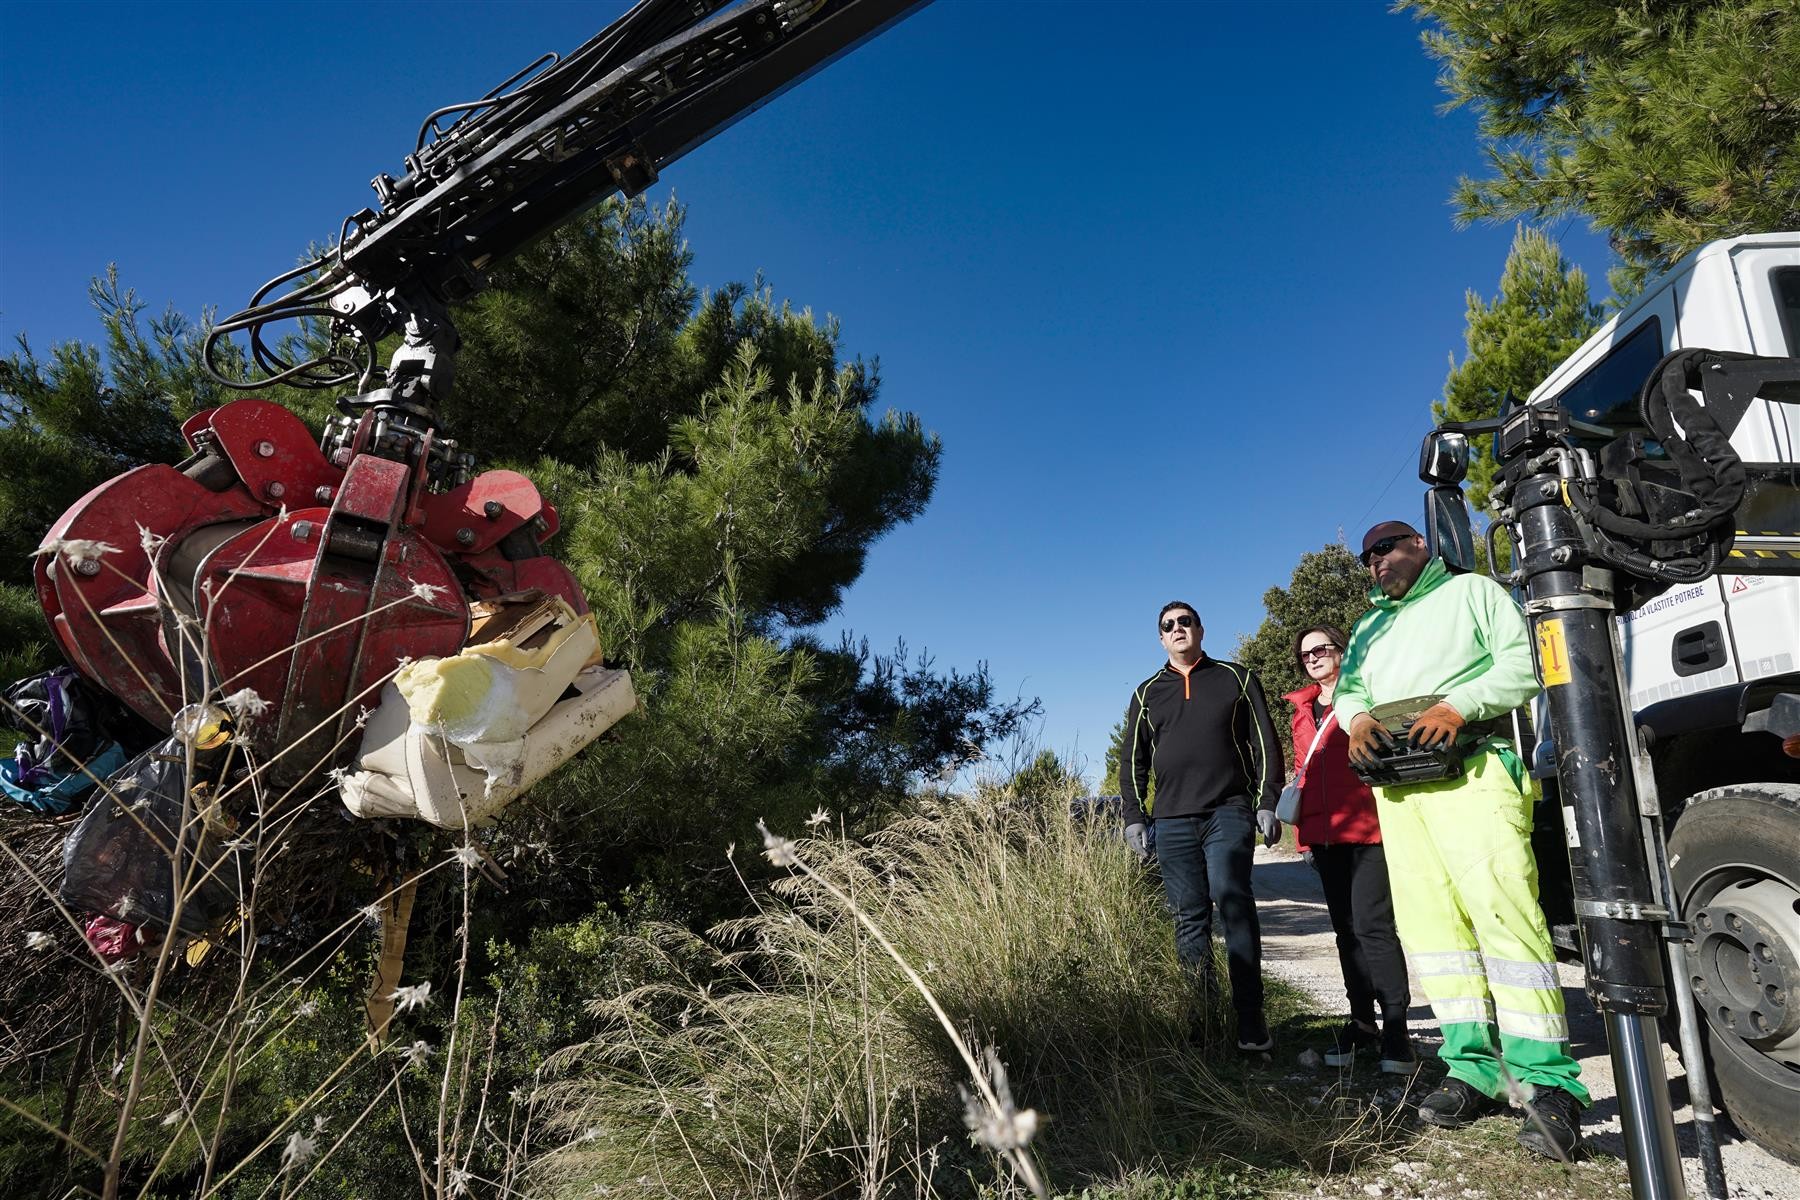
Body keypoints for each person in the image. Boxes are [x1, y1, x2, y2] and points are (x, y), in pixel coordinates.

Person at [1335, 521, 1588, 1160]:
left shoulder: (1473, 592)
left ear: (1421, 544)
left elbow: (1523, 662)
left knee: (1506, 920)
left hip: (1472, 771)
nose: (1376, 563)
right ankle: (1472, 1068)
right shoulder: (1368, 627)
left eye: (1386, 548)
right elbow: (1348, 690)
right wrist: (1357, 718)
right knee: (1434, 934)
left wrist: (1459, 705)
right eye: (1367, 558)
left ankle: (1547, 1085)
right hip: (1398, 790)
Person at [1121, 600, 1285, 1052]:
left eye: (1185, 622)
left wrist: (1267, 801)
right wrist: (1135, 817)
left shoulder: (1237, 677)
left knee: (1233, 902)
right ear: (1161, 638)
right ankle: (1204, 1018)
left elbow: (1265, 744)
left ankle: (1251, 1021)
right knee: (1188, 920)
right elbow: (1131, 762)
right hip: (1171, 821)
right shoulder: (1146, 692)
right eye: (1168, 626)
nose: (1178, 629)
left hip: (1228, 812)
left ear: (1200, 629)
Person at [1284, 623, 1415, 1075]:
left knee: (1374, 926)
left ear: (1342, 650)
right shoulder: (1302, 711)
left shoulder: (1367, 697)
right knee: (1344, 931)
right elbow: (1303, 773)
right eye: (1306, 654)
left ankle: (1396, 1026)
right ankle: (1362, 1022)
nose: (1314, 657)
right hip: (1323, 835)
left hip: (1369, 828)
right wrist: (1302, 837)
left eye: (1322, 649)